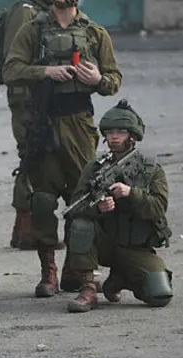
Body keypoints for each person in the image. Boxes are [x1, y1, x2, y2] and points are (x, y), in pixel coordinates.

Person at [3, 0, 123, 297]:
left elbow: (114, 79)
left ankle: (78, 269)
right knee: (42, 200)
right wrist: (45, 72)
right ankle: (48, 273)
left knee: (83, 199)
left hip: (79, 124)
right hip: (43, 122)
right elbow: (11, 69)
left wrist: (98, 79)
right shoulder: (33, 29)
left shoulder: (94, 33)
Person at [66, 100, 172, 312]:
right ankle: (88, 287)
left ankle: (120, 278)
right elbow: (74, 208)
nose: (114, 136)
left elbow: (158, 208)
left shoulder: (151, 170)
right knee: (80, 225)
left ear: (132, 136)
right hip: (103, 244)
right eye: (110, 132)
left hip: (135, 247)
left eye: (121, 132)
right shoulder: (95, 168)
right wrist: (98, 208)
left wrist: (131, 193)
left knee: (159, 295)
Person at [5, 0, 57, 250]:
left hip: (44, 95)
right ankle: (26, 227)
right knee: (31, 156)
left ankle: (22, 228)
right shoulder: (25, 13)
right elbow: (15, 60)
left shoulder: (46, 12)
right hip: (27, 96)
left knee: (39, 156)